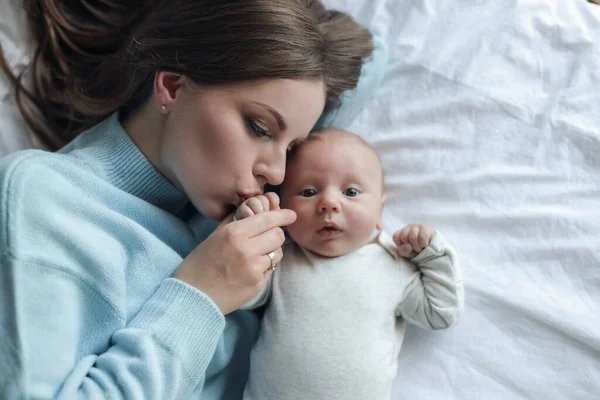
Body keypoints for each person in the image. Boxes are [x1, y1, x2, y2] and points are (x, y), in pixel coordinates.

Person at [0, 0, 388, 399]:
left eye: (292, 148)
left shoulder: (246, 200)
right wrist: (200, 295)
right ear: (171, 86)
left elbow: (373, 59)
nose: (277, 173)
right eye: (259, 127)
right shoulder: (44, 197)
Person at [234, 128, 465, 400]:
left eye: (351, 192)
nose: (329, 203)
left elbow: (441, 314)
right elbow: (243, 296)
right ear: (284, 206)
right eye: (308, 192)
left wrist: (433, 256)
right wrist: (252, 233)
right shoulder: (284, 256)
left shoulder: (393, 265)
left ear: (379, 212)